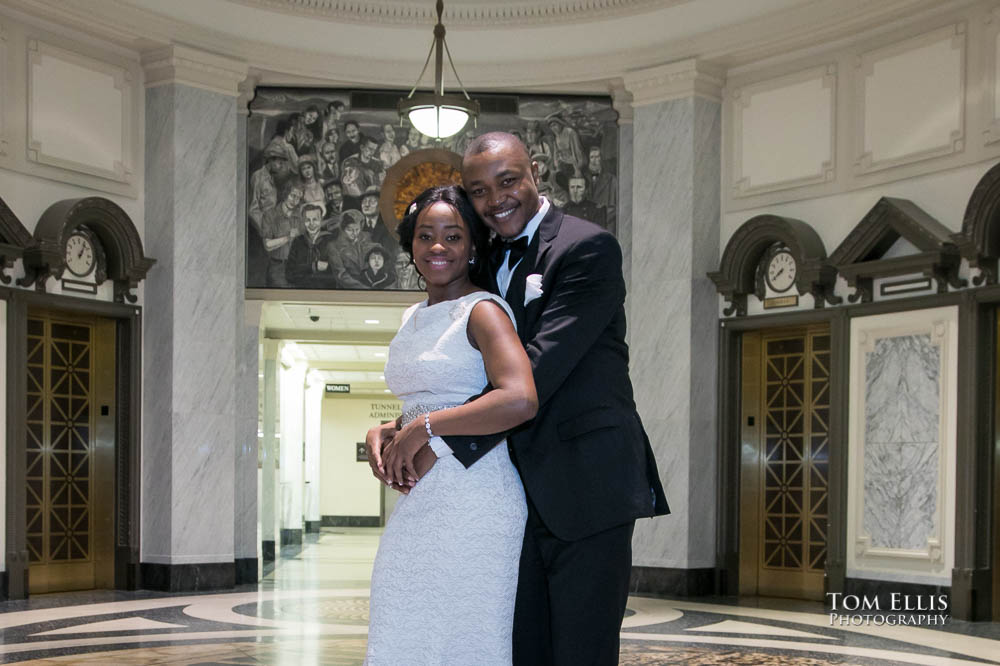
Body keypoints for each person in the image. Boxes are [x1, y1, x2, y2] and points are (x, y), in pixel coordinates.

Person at [370, 132, 668, 665]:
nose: (495, 199)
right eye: (479, 190)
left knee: (580, 651)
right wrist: (401, 425)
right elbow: (461, 376)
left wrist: (427, 431)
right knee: (519, 650)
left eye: (508, 181)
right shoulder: (479, 265)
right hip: (511, 488)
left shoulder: (586, 247)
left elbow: (537, 373)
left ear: (536, 170)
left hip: (585, 479)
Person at [365, 185, 536, 664]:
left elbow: (520, 398)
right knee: (403, 621)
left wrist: (423, 429)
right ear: (411, 245)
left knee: (467, 633)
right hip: (425, 494)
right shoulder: (411, 316)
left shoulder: (482, 310)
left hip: (475, 492)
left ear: (473, 246)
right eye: (425, 236)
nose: (437, 247)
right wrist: (389, 428)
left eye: (453, 236)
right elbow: (430, 396)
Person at [260, 182, 303, 287]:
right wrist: (289, 237)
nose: (295, 200)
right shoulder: (270, 215)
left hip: (297, 267)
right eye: (293, 195)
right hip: (278, 267)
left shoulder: (300, 215)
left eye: (298, 198)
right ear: (285, 193)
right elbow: (267, 245)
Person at [285, 203, 337, 289]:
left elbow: (337, 274)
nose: (311, 224)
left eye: (315, 219)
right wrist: (313, 266)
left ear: (321, 220)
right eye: (307, 220)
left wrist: (302, 270)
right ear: (303, 222)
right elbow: (289, 274)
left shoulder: (331, 240)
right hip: (302, 292)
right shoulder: (298, 242)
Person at [328, 209, 372, 289]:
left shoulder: (366, 237)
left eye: (357, 229)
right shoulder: (333, 246)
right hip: (348, 289)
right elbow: (341, 275)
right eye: (350, 230)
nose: (355, 233)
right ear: (342, 229)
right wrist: (363, 288)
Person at [585, 145, 617, 233]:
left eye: (597, 157)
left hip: (605, 224)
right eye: (592, 157)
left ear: (601, 159)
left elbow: (615, 207)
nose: (594, 160)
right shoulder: (583, 179)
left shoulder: (612, 180)